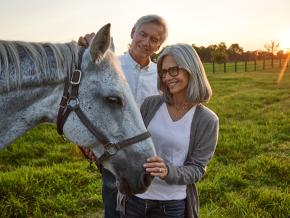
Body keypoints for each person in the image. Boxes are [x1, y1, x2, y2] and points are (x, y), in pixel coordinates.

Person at [78, 14, 168, 218]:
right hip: (114, 149)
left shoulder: (161, 75)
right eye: (143, 34)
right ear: (133, 32)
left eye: (154, 39)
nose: (146, 42)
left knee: (145, 204)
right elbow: (87, 104)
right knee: (113, 203)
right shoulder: (108, 65)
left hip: (148, 152)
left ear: (160, 45)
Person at [119, 43, 219, 218]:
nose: (167, 77)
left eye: (173, 70)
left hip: (170, 204)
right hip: (135, 197)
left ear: (191, 69)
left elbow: (197, 168)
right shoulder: (150, 104)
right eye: (163, 72)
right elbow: (131, 144)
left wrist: (168, 171)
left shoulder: (207, 120)